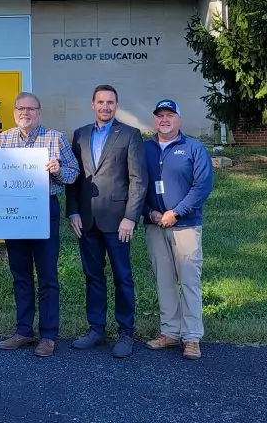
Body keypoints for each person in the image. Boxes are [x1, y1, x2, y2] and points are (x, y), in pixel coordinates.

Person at [0, 92, 79, 357]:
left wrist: (57, 171)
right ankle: (23, 331)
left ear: (39, 112)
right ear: (14, 111)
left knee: (48, 275)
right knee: (20, 274)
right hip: (13, 212)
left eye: (31, 109)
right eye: (20, 108)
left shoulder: (56, 138)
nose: (25, 113)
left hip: (44, 208)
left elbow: (74, 173)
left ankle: (49, 336)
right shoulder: (2, 139)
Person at [66, 84, 147, 358]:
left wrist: (130, 217)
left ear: (116, 105)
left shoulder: (130, 135)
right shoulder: (80, 135)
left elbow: (138, 180)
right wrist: (73, 211)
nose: (105, 107)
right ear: (92, 104)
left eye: (110, 102)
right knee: (93, 276)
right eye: (100, 102)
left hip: (118, 222)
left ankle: (126, 333)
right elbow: (73, 178)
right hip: (86, 221)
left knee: (123, 277)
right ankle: (96, 329)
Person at [142, 100, 213, 360]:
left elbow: (202, 186)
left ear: (179, 120)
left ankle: (192, 336)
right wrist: (150, 211)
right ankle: (170, 332)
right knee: (164, 281)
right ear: (154, 120)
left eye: (169, 115)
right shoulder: (145, 148)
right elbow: (138, 185)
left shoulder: (193, 147)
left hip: (185, 225)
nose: (164, 119)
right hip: (154, 224)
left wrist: (176, 212)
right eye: (160, 115)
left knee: (189, 280)